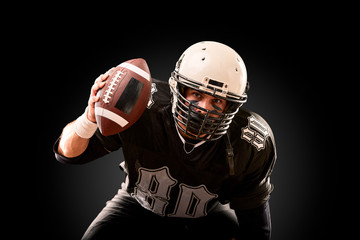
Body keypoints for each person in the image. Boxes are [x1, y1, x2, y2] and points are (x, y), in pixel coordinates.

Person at [54, 41, 277, 240]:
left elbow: (255, 224)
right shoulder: (141, 106)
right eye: (196, 95)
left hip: (208, 216)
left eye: (217, 101)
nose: (203, 110)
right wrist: (88, 118)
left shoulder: (248, 141)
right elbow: (69, 155)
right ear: (178, 89)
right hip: (136, 205)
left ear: (231, 106)